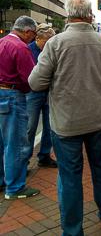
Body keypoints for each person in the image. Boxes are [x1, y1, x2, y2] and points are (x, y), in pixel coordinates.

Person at [29, 0, 101, 234]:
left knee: (70, 176)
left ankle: (73, 230)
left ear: (68, 15)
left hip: (66, 121)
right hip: (100, 120)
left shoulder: (55, 43)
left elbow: (35, 82)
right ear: (90, 14)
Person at [0, 16, 40, 200]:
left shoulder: (2, 42)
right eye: (33, 34)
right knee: (15, 143)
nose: (33, 38)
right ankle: (14, 187)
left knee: (3, 142)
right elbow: (30, 78)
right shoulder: (20, 47)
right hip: (13, 94)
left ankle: (3, 180)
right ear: (27, 31)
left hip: (2, 93)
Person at [26, 24, 57, 168]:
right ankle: (25, 159)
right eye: (47, 41)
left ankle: (44, 155)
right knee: (30, 127)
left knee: (49, 126)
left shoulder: (51, 49)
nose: (49, 43)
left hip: (48, 92)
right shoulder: (28, 50)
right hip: (32, 93)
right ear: (38, 38)